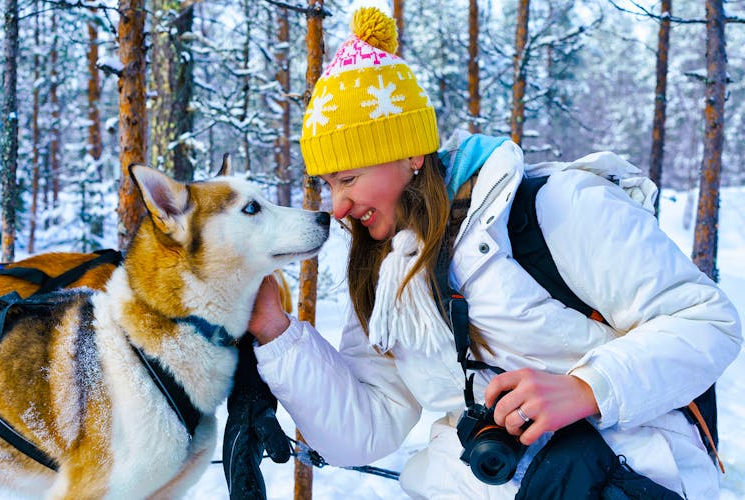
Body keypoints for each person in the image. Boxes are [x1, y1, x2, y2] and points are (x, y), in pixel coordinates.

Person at [247, 4, 742, 498]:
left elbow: (707, 320)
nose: (338, 206)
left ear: (411, 154)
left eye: (348, 179)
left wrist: (590, 388)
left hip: (626, 477)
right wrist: (275, 332)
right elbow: (367, 429)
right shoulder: (383, 270)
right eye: (329, 184)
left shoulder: (553, 208)